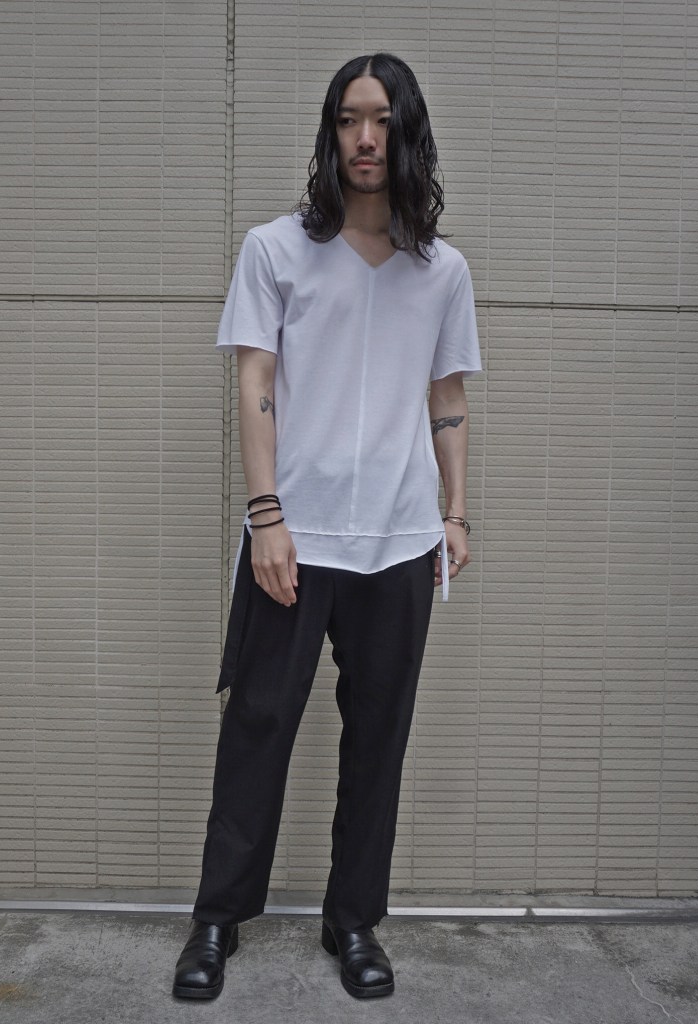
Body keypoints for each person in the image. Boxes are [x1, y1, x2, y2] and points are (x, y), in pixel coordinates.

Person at [172, 51, 482, 1001]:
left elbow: (446, 394)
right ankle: (217, 918)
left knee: (377, 737)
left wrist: (455, 511)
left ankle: (353, 922)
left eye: (381, 120)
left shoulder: (442, 271)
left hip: (400, 542)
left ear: (407, 133)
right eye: (349, 119)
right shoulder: (275, 250)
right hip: (294, 539)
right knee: (258, 724)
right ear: (330, 133)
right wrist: (266, 515)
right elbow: (254, 379)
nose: (364, 137)